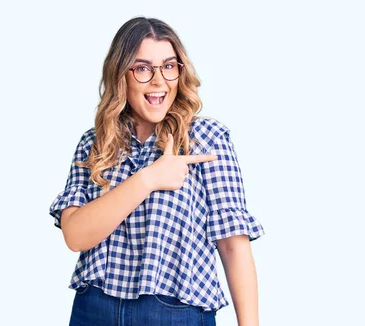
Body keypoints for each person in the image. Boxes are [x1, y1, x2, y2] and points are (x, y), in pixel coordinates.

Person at [49, 16, 265, 326]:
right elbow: (75, 235)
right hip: (93, 310)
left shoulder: (206, 139)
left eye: (168, 66)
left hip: (175, 313)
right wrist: (148, 179)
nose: (158, 80)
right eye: (142, 68)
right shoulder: (95, 143)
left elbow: (233, 246)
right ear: (121, 75)